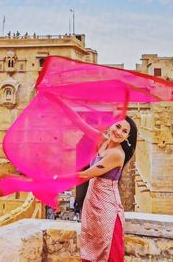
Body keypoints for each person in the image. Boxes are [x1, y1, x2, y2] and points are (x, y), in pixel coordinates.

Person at [44, 92, 137, 261]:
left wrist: (53, 181)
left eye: (124, 131)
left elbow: (85, 175)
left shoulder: (117, 155)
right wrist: (58, 101)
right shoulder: (102, 140)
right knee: (90, 249)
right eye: (118, 126)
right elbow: (78, 121)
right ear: (111, 125)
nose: (119, 132)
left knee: (106, 252)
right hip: (92, 204)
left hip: (107, 208)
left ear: (127, 137)